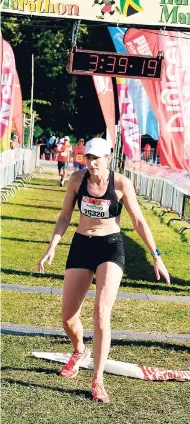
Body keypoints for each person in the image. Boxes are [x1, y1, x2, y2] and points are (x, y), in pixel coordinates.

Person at [38, 138, 170, 403]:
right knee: (68, 318)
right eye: (88, 157)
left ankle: (97, 380)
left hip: (110, 246)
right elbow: (65, 216)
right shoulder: (77, 179)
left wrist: (156, 256)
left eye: (97, 158)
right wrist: (52, 246)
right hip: (81, 245)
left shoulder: (121, 183)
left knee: (101, 312)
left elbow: (138, 220)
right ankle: (79, 351)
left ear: (109, 158)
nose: (92, 162)